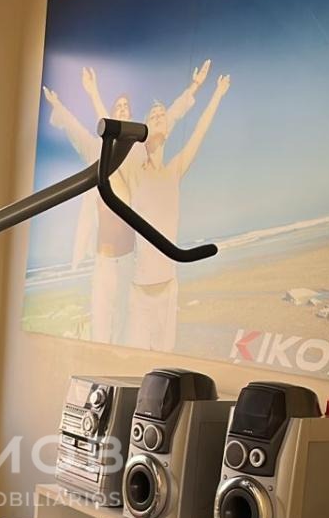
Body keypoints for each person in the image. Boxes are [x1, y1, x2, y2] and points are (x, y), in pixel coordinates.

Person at [42, 59, 211, 344]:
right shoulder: (97, 151)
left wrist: (194, 87)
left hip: (130, 260)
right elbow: (77, 129)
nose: (122, 111)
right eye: (117, 108)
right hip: (104, 260)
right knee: (101, 326)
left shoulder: (136, 160)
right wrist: (79, 97)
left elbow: (166, 120)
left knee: (124, 329)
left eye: (126, 109)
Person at [126, 73, 231, 351]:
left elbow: (199, 131)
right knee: (135, 358)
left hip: (168, 283)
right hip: (140, 286)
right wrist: (192, 88)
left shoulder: (173, 171)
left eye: (162, 114)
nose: (159, 117)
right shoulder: (135, 169)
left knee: (164, 358)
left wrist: (216, 93)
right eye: (153, 115)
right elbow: (163, 122)